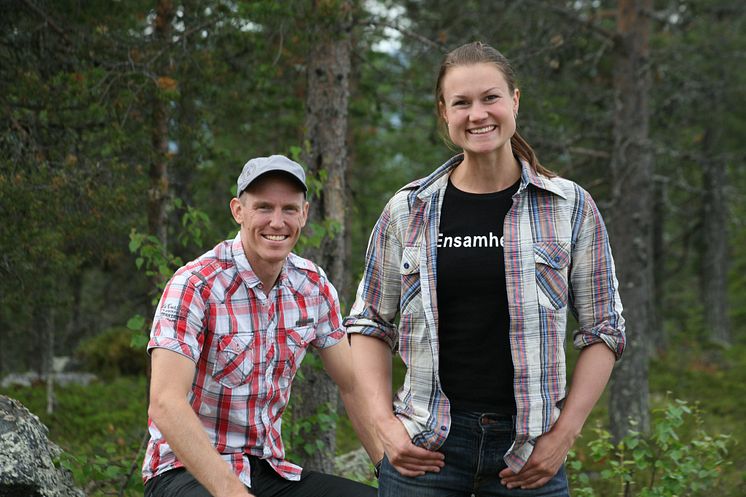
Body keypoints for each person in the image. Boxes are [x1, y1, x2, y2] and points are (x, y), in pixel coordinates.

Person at [345, 42, 626, 496]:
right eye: (462, 103)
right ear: (444, 112)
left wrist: (563, 437)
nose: (478, 114)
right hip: (427, 449)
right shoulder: (408, 210)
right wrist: (384, 426)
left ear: (515, 100)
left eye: (490, 97)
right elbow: (369, 322)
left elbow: (604, 330)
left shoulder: (569, 207)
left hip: (529, 454)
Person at [142, 155, 378, 497]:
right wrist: (232, 493)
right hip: (182, 472)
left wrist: (388, 469)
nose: (277, 222)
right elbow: (165, 402)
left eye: (289, 209)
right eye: (264, 207)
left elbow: (352, 384)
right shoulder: (196, 285)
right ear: (238, 210)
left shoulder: (312, 285)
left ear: (305, 213)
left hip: (267, 469)